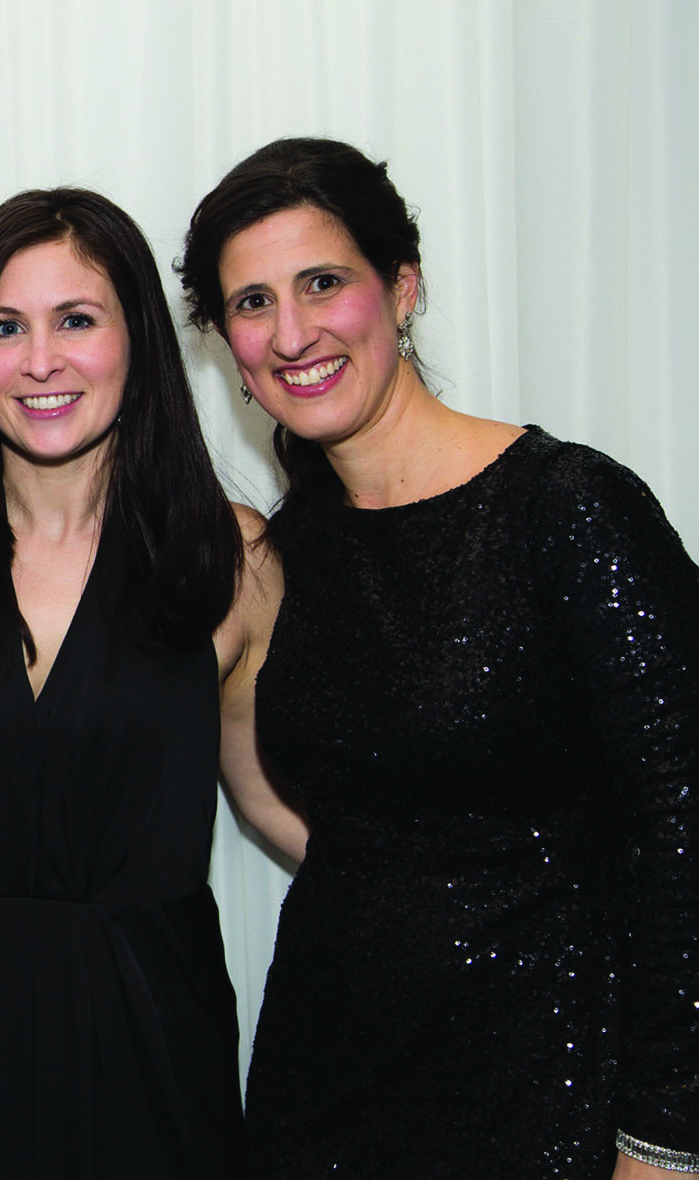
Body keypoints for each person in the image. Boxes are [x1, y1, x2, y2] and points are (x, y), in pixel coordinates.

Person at [177, 136, 699, 1178]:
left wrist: (664, 1138)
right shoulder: (294, 550)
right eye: (250, 303)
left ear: (400, 288)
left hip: (544, 1087)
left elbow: (681, 833)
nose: (291, 333)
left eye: (321, 283)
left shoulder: (567, 509)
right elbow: (360, 826)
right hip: (319, 1088)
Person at [0, 187, 305, 1179]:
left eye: (76, 321)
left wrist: (470, 883)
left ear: (137, 336)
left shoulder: (231, 555)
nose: (39, 360)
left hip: (153, 1041)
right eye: (4, 326)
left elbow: (270, 797)